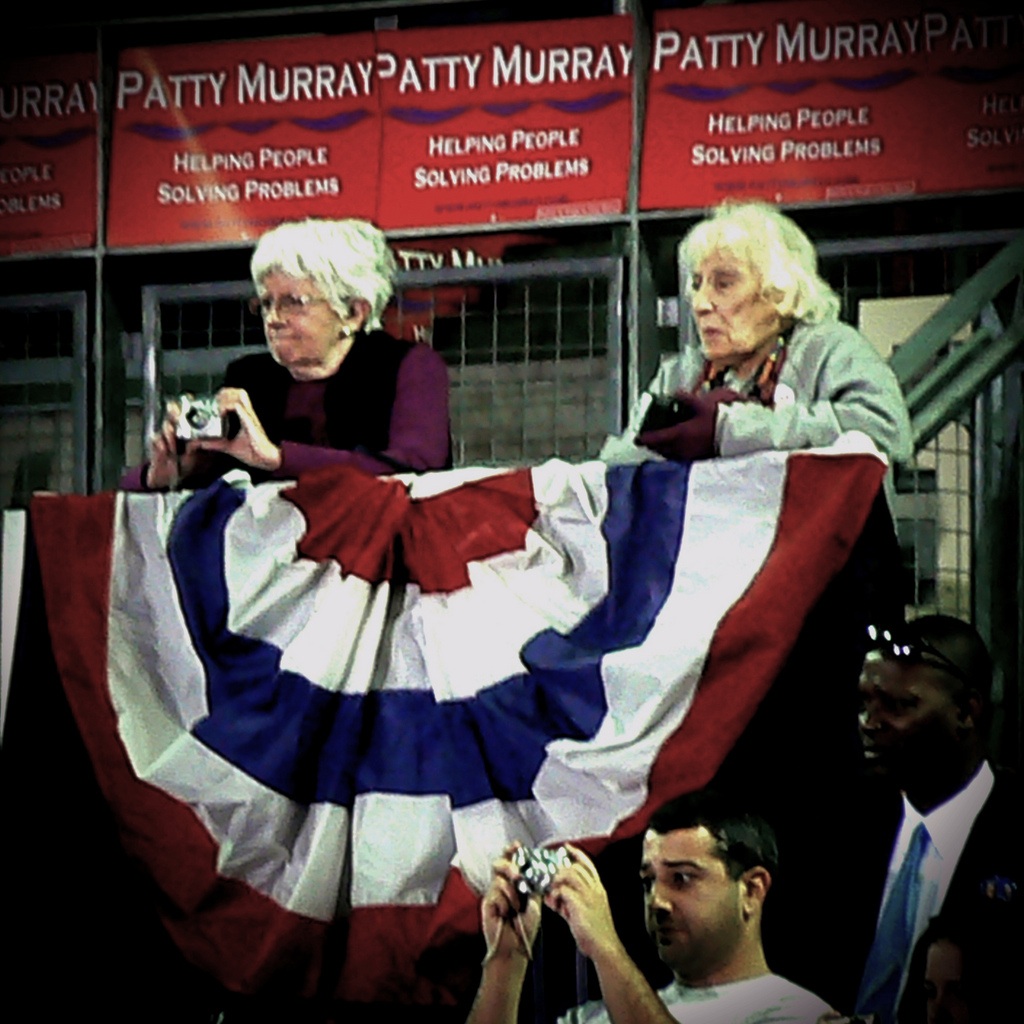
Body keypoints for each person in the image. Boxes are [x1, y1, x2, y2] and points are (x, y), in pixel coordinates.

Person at [123, 217, 451, 490]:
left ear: (353, 312)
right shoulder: (248, 378)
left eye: (293, 302)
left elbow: (417, 468)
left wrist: (278, 459)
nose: (273, 318)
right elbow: (216, 488)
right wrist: (170, 475)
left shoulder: (406, 365)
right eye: (266, 303)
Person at [466, 790, 833, 1024]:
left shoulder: (798, 1014)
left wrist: (605, 947)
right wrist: (506, 960)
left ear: (752, 890)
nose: (657, 900)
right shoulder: (596, 1017)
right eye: (648, 881)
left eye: (682, 879)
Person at [602, 200, 911, 468]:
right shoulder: (681, 375)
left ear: (779, 292)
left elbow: (888, 431)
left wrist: (728, 430)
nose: (699, 304)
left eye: (723, 284)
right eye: (698, 284)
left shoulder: (830, 348)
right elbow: (621, 460)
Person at [848, 616, 1021, 1024]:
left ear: (966, 711)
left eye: (898, 705)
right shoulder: (842, 826)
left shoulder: (1016, 832)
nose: (870, 724)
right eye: (865, 703)